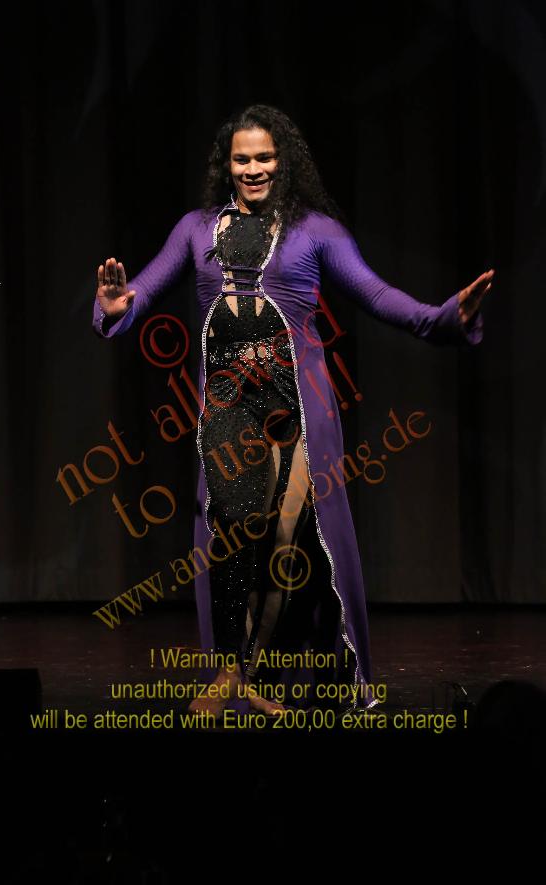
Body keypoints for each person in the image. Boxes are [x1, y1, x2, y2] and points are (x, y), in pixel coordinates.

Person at [93, 104, 493, 720]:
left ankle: (263, 674)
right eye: (242, 159)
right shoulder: (196, 230)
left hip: (298, 405)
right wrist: (117, 306)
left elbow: (375, 292)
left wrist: (442, 317)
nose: (253, 169)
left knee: (287, 537)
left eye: (265, 158)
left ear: (284, 162)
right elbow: (138, 293)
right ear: (226, 165)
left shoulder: (315, 231)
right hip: (228, 407)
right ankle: (227, 674)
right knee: (230, 534)